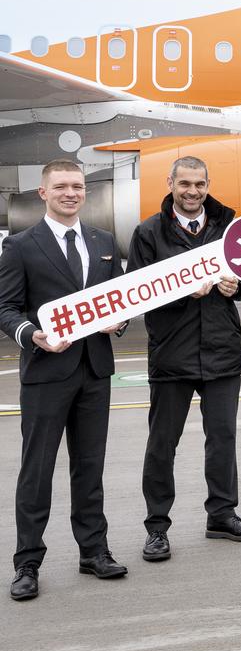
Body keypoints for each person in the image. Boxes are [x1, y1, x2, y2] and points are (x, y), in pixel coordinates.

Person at [0, 160, 127, 600]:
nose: (70, 193)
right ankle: (27, 563)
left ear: (85, 192)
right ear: (43, 193)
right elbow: (6, 308)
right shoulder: (21, 245)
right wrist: (31, 335)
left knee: (90, 467)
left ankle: (93, 551)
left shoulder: (104, 241)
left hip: (94, 371)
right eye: (61, 187)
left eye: (77, 186)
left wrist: (119, 323)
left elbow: (118, 302)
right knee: (37, 471)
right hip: (46, 373)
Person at [127, 156, 241, 561]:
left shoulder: (228, 226)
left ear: (208, 184)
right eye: (184, 183)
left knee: (222, 440)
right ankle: (156, 528)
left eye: (199, 184)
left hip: (222, 352)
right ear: (170, 183)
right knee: (162, 445)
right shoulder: (149, 232)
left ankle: (222, 515)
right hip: (173, 354)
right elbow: (138, 290)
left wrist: (238, 286)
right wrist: (185, 290)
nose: (192, 191)